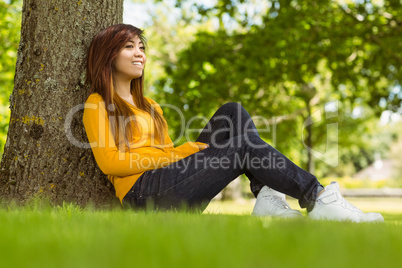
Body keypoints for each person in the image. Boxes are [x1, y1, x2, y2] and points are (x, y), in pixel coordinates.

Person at [83, 24, 383, 223]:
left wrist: (175, 155)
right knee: (243, 146)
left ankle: (267, 196)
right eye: (129, 47)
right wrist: (178, 154)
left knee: (232, 112)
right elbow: (109, 163)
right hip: (142, 195)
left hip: (167, 184)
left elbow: (163, 156)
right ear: (109, 56)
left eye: (141, 47)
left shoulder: (151, 107)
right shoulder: (97, 103)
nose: (139, 53)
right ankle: (318, 197)